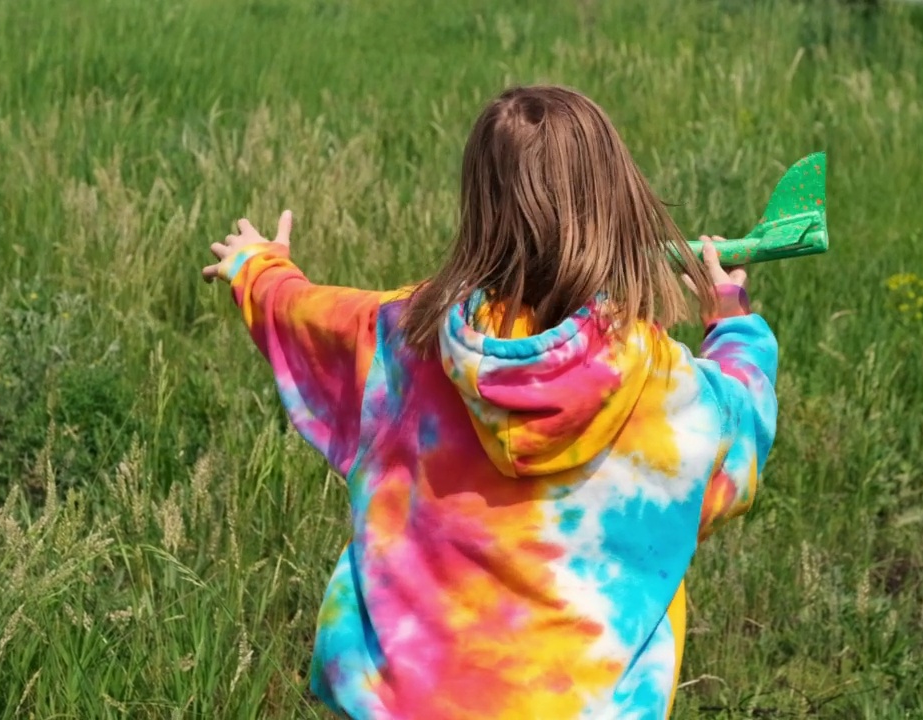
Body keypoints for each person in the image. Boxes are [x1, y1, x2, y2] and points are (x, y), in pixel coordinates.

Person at [202, 85, 778, 720]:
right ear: (617, 202)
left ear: (479, 207)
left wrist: (258, 268)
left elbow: (304, 314)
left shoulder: (405, 338)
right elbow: (740, 425)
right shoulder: (663, 385)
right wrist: (733, 323)